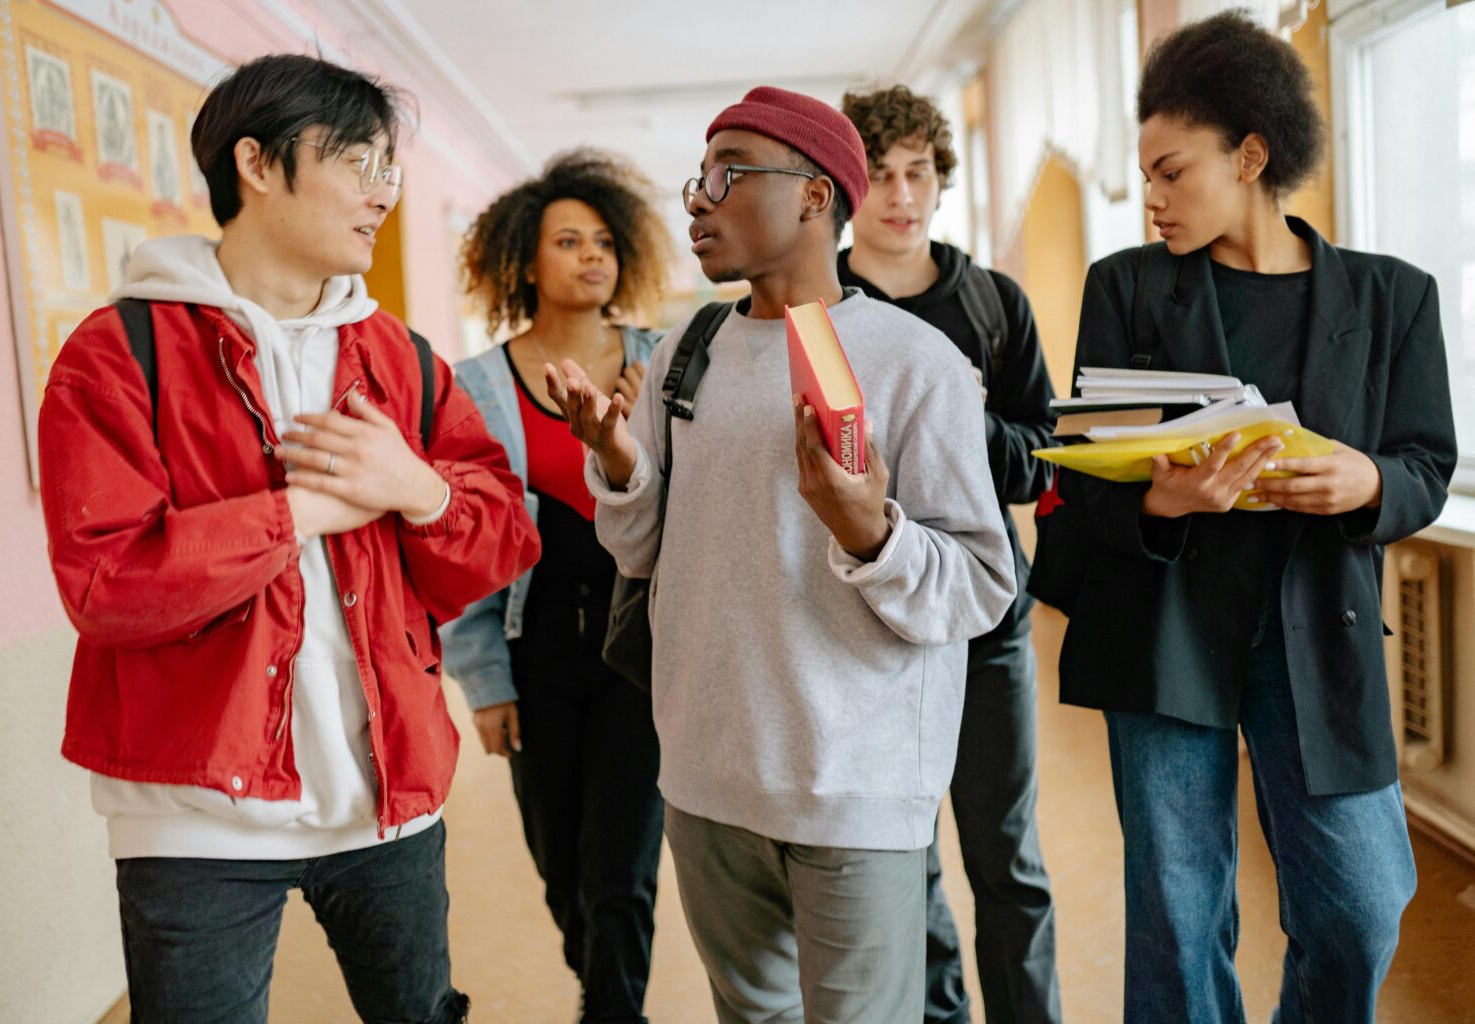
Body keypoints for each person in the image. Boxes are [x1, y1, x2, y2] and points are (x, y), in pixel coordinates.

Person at [38, 54, 540, 1024]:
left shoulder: (395, 355)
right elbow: (106, 584)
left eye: (389, 170)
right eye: (357, 162)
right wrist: (302, 512)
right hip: (194, 818)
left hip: (389, 791)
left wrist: (419, 489)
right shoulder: (119, 352)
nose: (382, 194)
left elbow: (500, 538)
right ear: (257, 165)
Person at [547, 85, 1017, 1024]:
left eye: (728, 175)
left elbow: (980, 587)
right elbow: (640, 553)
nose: (698, 199)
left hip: (855, 790)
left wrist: (868, 532)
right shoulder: (690, 350)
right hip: (708, 779)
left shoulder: (914, 362)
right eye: (697, 178)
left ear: (815, 195)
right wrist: (617, 462)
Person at [1056, 13, 1457, 1023]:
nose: (1151, 198)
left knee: (1363, 904)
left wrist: (1364, 480)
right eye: (1143, 175)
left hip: (1319, 626)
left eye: (1170, 171)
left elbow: (1426, 464)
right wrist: (1161, 496)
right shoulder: (1125, 288)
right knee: (1178, 917)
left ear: (1250, 154)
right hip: (1166, 625)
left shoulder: (1394, 297)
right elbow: (1086, 475)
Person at [838, 83, 1061, 1024]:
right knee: (907, 855)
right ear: (848, 186)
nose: (900, 192)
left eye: (917, 171)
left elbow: (1041, 460)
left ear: (940, 179)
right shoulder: (818, 304)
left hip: (984, 618)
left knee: (1006, 855)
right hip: (866, 621)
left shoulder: (993, 302)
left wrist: (962, 415)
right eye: (879, 173)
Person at [442, 149, 672, 1024]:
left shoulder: (662, 364)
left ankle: (614, 1011)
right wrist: (484, 685)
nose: (591, 257)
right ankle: (600, 983)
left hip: (639, 651)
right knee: (560, 859)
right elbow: (464, 550)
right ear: (523, 263)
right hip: (530, 650)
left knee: (625, 865)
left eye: (604, 241)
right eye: (567, 241)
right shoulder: (476, 387)